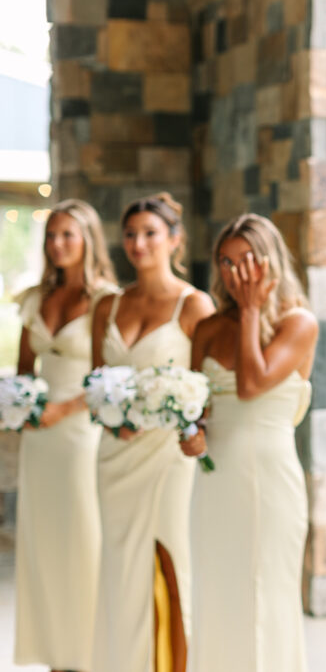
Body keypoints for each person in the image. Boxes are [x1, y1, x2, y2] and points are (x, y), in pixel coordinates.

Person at [180, 214, 317, 671]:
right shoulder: (207, 328)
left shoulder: (298, 323)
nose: (237, 273)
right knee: (215, 593)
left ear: (270, 262)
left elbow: (251, 385)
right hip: (213, 483)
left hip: (268, 483)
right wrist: (192, 436)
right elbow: (195, 408)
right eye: (226, 262)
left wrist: (253, 309)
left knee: (264, 597)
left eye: (247, 261)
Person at [90, 193, 215, 672]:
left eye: (150, 233)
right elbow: (94, 381)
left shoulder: (193, 304)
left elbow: (208, 391)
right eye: (130, 234)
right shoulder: (109, 305)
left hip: (167, 460)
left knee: (169, 565)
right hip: (114, 458)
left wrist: (192, 429)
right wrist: (111, 417)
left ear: (174, 239)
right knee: (120, 573)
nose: (138, 243)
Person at [13, 200, 117, 672]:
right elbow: (21, 373)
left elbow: (107, 376)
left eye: (67, 235)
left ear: (88, 239)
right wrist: (24, 407)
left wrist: (65, 408)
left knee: (82, 541)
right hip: (38, 440)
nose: (57, 244)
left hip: (80, 435)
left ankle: (89, 655)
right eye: (52, 235)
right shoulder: (34, 299)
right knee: (43, 544)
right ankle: (54, 654)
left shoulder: (104, 300)